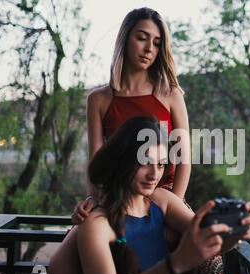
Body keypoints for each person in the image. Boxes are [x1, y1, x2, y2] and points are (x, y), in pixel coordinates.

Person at [47, 117, 250, 274]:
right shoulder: (97, 224)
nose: (154, 174)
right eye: (145, 162)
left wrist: (236, 232)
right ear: (123, 160)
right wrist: (174, 264)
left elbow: (209, 241)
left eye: (160, 164)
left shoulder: (161, 200)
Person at [72, 7, 191, 224]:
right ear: (125, 39)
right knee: (80, 245)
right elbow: (95, 162)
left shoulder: (171, 95)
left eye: (156, 43)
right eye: (142, 38)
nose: (149, 49)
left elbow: (184, 160)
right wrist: (92, 198)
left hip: (163, 197)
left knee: (208, 252)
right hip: (118, 199)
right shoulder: (98, 99)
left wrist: (173, 206)